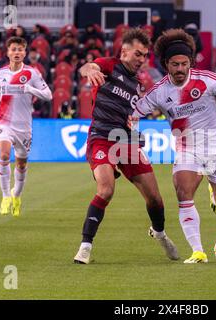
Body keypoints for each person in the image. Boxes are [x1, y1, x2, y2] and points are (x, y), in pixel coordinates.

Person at [129, 29, 216, 263]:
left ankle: (213, 190)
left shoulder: (206, 79)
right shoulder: (159, 92)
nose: (180, 69)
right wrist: (133, 134)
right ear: (167, 64)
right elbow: (134, 112)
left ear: (190, 62)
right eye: (175, 64)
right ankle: (198, 251)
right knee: (183, 192)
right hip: (187, 148)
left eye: (184, 64)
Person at [73, 28, 179, 264]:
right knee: (106, 190)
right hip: (101, 137)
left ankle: (159, 233)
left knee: (155, 198)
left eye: (144, 56)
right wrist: (89, 69)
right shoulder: (110, 65)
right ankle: (85, 247)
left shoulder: (138, 84)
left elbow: (133, 114)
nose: (141, 60)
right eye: (138, 54)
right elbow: (89, 67)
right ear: (124, 52)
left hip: (126, 141)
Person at [0, 36, 52, 217]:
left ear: (25, 52)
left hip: (24, 126)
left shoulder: (32, 73)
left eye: (20, 49)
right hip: (4, 122)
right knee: (4, 154)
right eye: (14, 49)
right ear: (8, 52)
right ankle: (5, 196)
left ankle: (16, 196)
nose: (17, 52)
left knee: (21, 163)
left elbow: (48, 95)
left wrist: (31, 89)